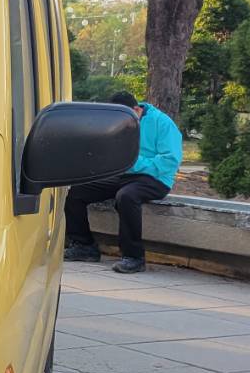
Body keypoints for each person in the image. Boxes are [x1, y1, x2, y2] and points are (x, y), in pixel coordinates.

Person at [64, 91, 183, 274]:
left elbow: (169, 162)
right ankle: (84, 245)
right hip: (124, 174)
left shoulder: (163, 123)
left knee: (126, 196)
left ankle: (134, 257)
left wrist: (132, 164)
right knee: (77, 192)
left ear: (136, 110)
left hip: (156, 179)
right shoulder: (118, 121)